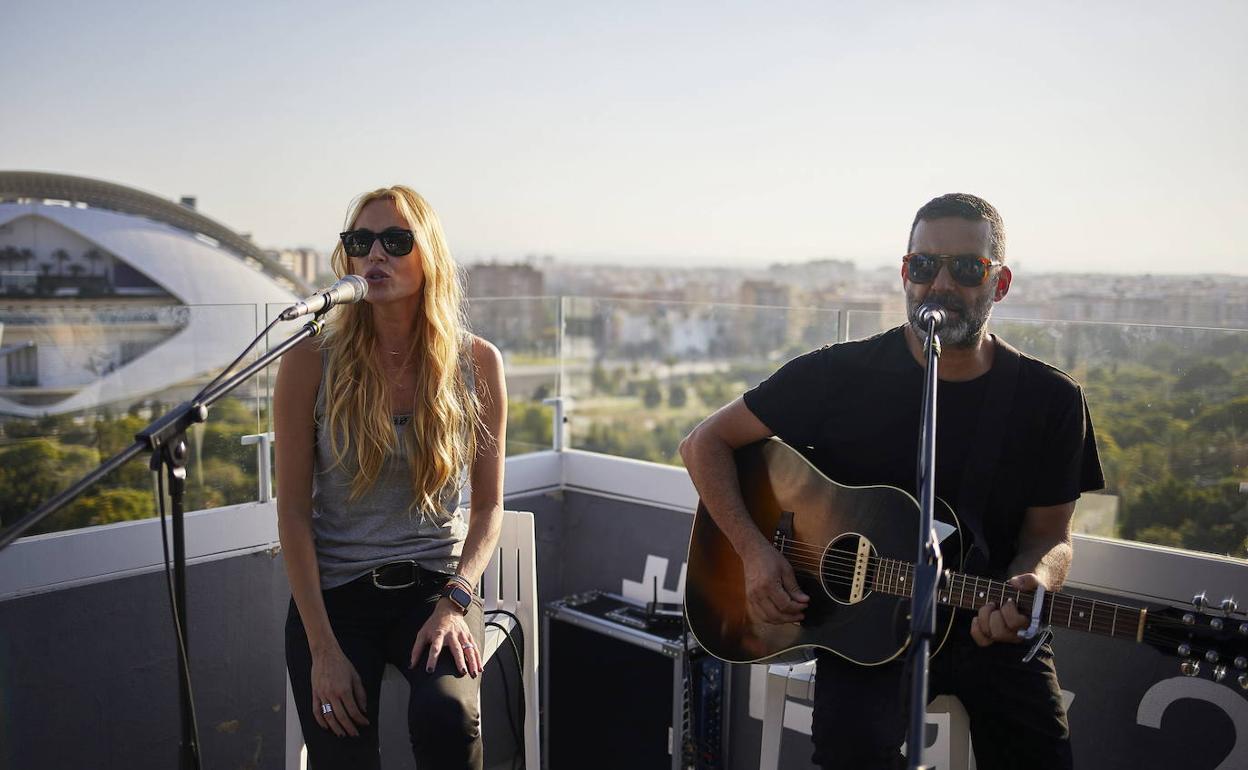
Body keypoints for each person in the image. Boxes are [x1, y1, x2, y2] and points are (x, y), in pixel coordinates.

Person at [680, 193, 1102, 769]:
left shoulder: (1050, 401)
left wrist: (1034, 581)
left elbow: (1051, 534)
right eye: (925, 266)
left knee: (1042, 756)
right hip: (863, 633)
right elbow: (703, 444)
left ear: (999, 284)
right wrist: (754, 551)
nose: (941, 285)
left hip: (987, 625)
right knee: (849, 752)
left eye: (967, 268)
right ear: (906, 274)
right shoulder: (838, 374)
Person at [275, 185, 507, 769]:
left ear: (428, 255)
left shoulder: (477, 363)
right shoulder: (309, 361)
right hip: (337, 596)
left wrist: (456, 601)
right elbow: (294, 515)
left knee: (446, 717)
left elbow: (487, 509)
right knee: (342, 743)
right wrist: (322, 650)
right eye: (360, 242)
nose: (374, 255)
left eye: (395, 241)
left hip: (436, 586)